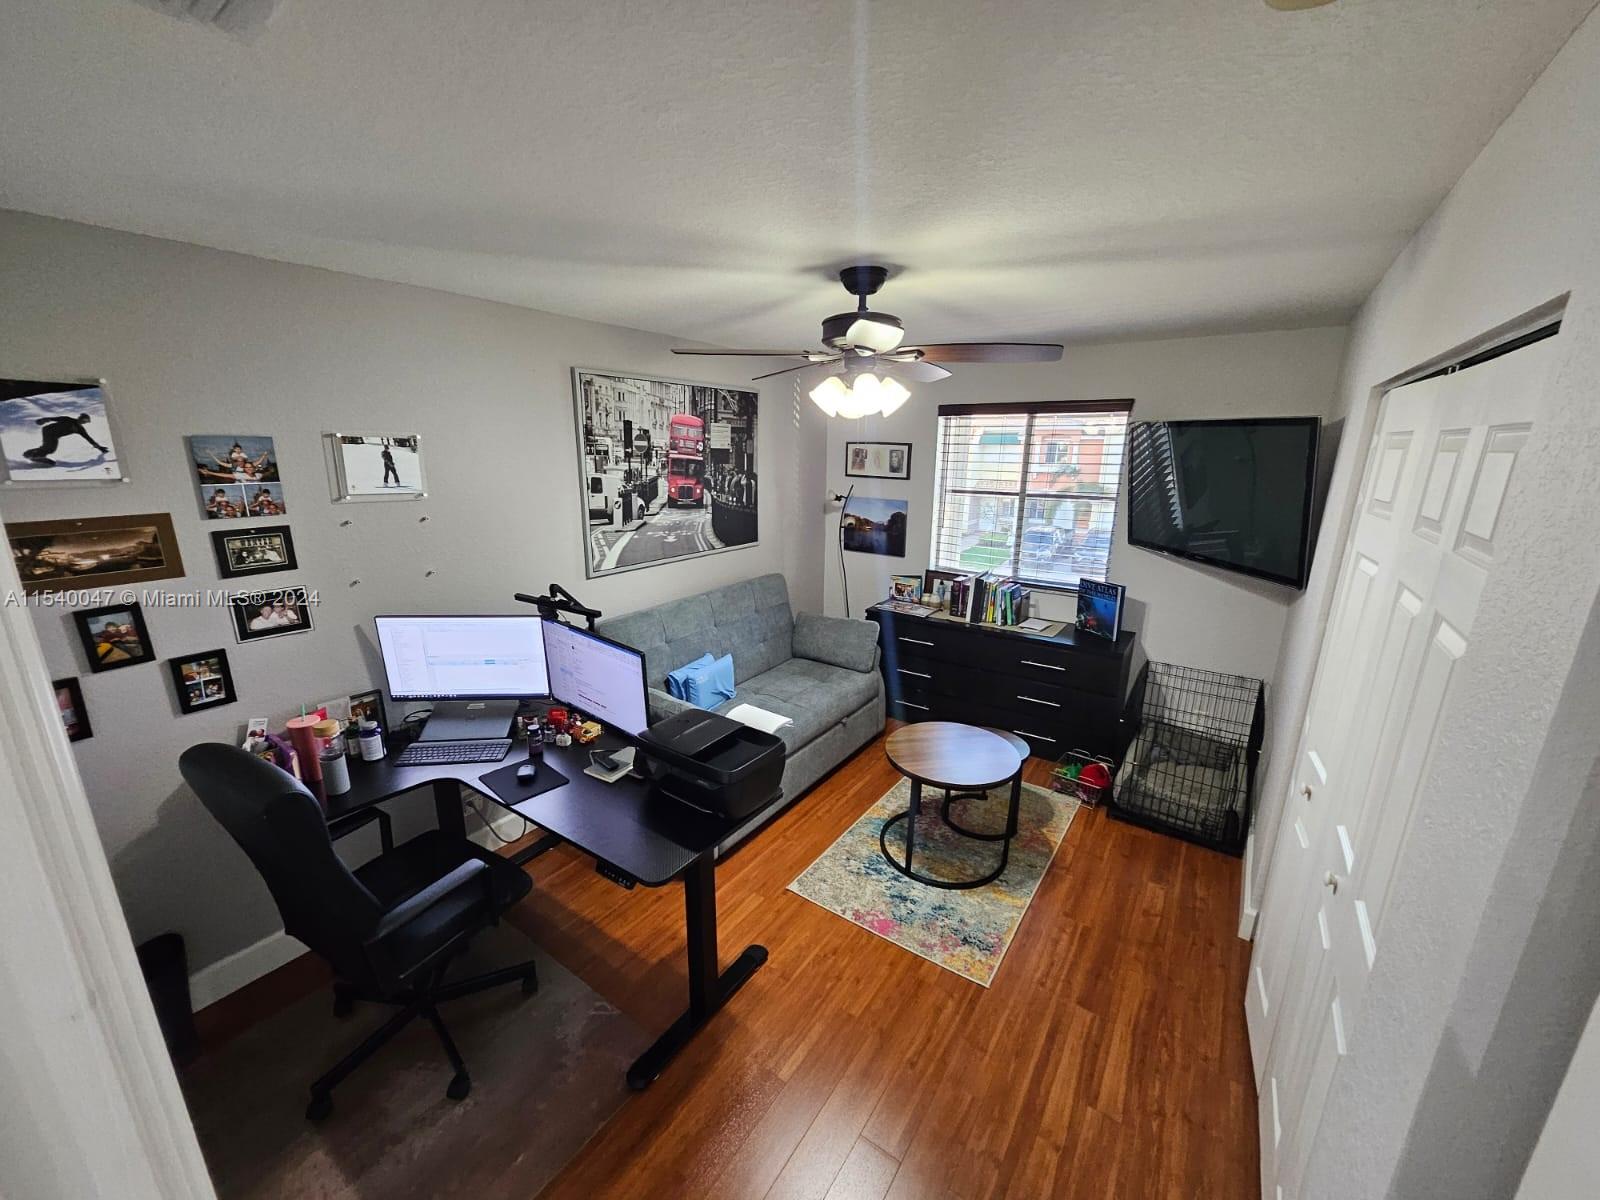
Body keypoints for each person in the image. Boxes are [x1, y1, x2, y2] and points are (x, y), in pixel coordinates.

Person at [23, 413, 108, 466]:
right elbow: (54, 418)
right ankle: (35, 456)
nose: (83, 422)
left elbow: (89, 439)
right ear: (79, 418)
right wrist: (43, 420)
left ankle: (30, 454)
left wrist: (99, 447)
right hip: (48, 430)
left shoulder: (80, 429)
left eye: (86, 421)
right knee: (50, 448)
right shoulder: (68, 419)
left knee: (50, 448)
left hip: (54, 436)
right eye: (83, 420)